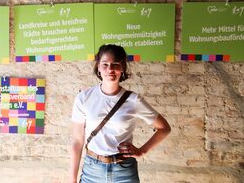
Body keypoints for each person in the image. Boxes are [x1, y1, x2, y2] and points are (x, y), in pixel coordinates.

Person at [69, 44, 171, 183]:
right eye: (105, 64)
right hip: (92, 170)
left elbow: (164, 128)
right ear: (98, 67)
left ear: (122, 67)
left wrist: (142, 151)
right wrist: (72, 178)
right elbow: (77, 141)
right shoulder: (84, 97)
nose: (110, 69)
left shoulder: (133, 100)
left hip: (124, 171)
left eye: (115, 64)